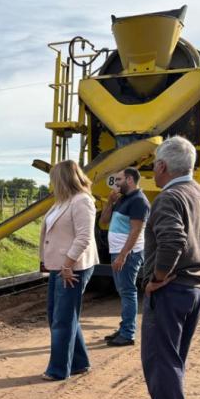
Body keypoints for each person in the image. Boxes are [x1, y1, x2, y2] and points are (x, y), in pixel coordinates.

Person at [136, 136, 200, 399]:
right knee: (175, 354)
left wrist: (158, 277)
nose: (153, 173)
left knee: (160, 355)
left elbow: (173, 239)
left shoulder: (170, 198)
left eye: (153, 167)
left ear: (162, 165)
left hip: (172, 289)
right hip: (196, 287)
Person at [39, 160, 98, 381]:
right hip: (59, 267)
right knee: (60, 314)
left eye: (53, 179)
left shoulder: (82, 201)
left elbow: (84, 237)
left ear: (63, 179)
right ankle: (79, 362)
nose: (51, 183)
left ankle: (58, 369)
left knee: (62, 318)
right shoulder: (62, 201)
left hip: (72, 268)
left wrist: (67, 265)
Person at [99, 167, 150, 347]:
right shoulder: (122, 200)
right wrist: (109, 203)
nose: (116, 183)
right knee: (123, 291)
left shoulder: (139, 201)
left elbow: (136, 230)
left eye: (119, 179)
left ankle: (128, 333)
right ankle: (124, 328)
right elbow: (103, 222)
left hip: (128, 254)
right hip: (118, 252)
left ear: (129, 180)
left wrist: (122, 255)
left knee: (128, 291)